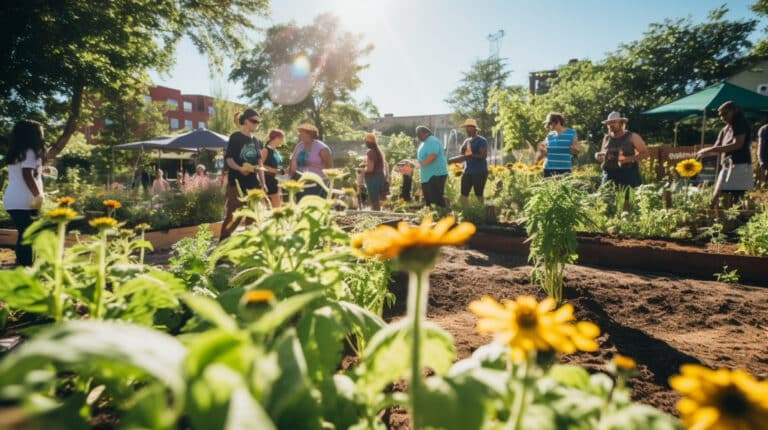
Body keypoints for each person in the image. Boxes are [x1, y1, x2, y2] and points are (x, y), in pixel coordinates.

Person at [3, 120, 45, 266]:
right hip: (24, 201)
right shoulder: (29, 152)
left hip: (14, 200)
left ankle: (22, 264)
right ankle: (25, 266)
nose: (42, 134)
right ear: (32, 135)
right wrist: (38, 195)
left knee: (24, 234)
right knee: (28, 235)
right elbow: (27, 174)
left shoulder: (17, 152)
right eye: (40, 132)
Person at [696, 101, 754, 207]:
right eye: (721, 115)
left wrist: (708, 150)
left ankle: (737, 222)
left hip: (740, 165)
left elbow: (738, 144)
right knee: (717, 197)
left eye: (725, 114)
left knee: (736, 199)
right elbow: (716, 147)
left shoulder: (740, 124)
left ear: (734, 111)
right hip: (727, 166)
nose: (722, 118)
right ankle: (722, 220)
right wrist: (703, 154)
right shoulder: (724, 129)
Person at [221, 108, 267, 240]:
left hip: (254, 184)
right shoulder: (235, 137)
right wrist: (240, 168)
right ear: (246, 121)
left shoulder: (256, 141)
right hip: (237, 183)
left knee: (252, 216)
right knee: (234, 215)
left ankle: (249, 244)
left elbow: (260, 164)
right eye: (254, 121)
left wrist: (263, 184)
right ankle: (222, 246)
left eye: (258, 122)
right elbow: (229, 159)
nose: (256, 124)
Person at [595, 111, 648, 188]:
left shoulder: (632, 136)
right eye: (609, 123)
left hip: (628, 176)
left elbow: (645, 154)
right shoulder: (606, 138)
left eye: (613, 122)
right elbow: (603, 155)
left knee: (628, 199)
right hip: (609, 177)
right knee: (606, 199)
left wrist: (626, 159)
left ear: (621, 123)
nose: (611, 125)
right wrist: (598, 156)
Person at [288, 123, 333, 199]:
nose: (300, 134)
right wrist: (290, 176)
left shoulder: (322, 148)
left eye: (302, 132)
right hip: (300, 181)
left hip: (317, 183)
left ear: (310, 134)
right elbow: (293, 162)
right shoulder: (299, 145)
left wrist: (322, 182)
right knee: (300, 205)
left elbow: (329, 169)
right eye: (300, 132)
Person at [413, 125, 448, 208]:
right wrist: (413, 163)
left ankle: (444, 217)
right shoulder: (424, 143)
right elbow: (422, 159)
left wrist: (421, 164)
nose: (418, 137)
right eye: (417, 135)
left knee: (437, 201)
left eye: (419, 134)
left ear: (427, 133)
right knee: (429, 202)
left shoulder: (432, 140)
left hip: (435, 175)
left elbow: (433, 155)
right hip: (427, 177)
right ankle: (433, 218)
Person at [538, 112, 579, 177]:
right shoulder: (549, 135)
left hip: (565, 169)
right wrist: (541, 149)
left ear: (558, 121)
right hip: (549, 169)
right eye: (548, 124)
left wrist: (574, 149)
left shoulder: (572, 133)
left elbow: (577, 151)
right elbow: (546, 154)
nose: (548, 126)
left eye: (550, 123)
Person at [458, 119, 488, 204]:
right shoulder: (467, 140)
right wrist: (463, 149)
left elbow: (483, 156)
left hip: (479, 171)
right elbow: (461, 152)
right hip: (467, 171)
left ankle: (480, 212)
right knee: (464, 193)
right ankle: (465, 213)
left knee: (479, 194)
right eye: (466, 127)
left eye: (469, 127)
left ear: (475, 128)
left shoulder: (481, 140)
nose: (467, 129)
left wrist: (471, 155)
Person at [261, 129, 286, 208]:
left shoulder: (275, 151)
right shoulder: (265, 150)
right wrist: (275, 170)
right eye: (282, 138)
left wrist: (283, 171)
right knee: (274, 207)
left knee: (278, 206)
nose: (282, 141)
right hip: (268, 180)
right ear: (276, 138)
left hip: (276, 180)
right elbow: (260, 165)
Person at [362, 133, 387, 211]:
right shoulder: (378, 151)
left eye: (365, 142)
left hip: (373, 178)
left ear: (369, 142)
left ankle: (376, 216)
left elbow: (370, 169)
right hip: (380, 176)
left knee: (374, 200)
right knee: (378, 200)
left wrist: (362, 170)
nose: (365, 144)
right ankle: (378, 215)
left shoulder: (370, 152)